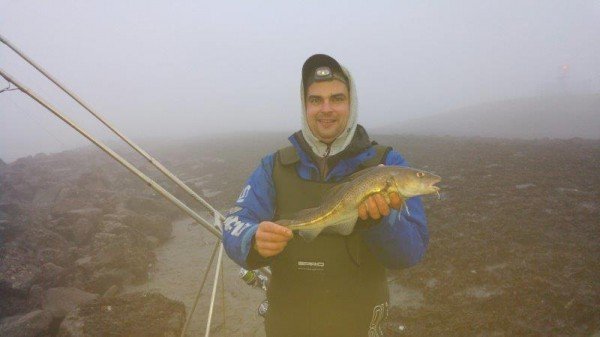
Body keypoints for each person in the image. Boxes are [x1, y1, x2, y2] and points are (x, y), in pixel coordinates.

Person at [223, 54, 429, 337]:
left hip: (360, 323)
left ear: (351, 103)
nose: (327, 109)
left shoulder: (388, 163)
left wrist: (381, 222)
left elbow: (410, 253)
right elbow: (235, 222)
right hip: (287, 324)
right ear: (304, 105)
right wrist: (253, 240)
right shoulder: (274, 166)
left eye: (337, 98)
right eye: (316, 100)